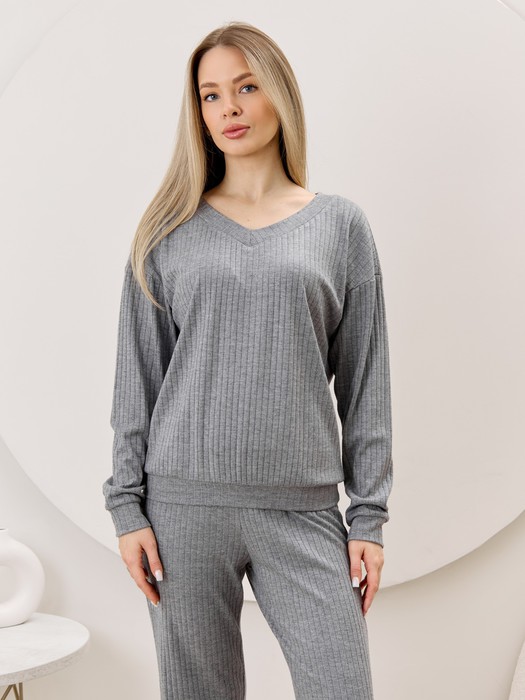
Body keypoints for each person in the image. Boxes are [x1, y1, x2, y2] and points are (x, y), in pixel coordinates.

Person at [102, 20, 394, 700]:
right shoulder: (166, 231)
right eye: (210, 95)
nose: (228, 108)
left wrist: (368, 517)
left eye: (246, 87)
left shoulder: (340, 226)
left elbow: (366, 383)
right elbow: (137, 379)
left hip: (303, 508)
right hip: (181, 510)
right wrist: (126, 509)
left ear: (279, 94)